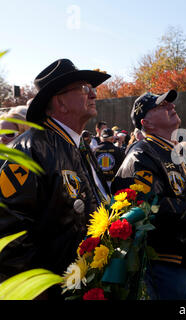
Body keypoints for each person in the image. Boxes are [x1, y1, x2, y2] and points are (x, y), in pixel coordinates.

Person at [0, 59, 111, 298]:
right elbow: (11, 240)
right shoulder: (29, 150)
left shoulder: (79, 145)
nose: (93, 95)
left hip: (88, 285)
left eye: (92, 90)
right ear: (60, 101)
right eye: (85, 89)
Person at [111, 90, 186, 300]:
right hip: (169, 262)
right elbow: (146, 208)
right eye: (161, 106)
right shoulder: (141, 154)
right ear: (146, 123)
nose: (171, 107)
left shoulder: (178, 151)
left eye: (170, 104)